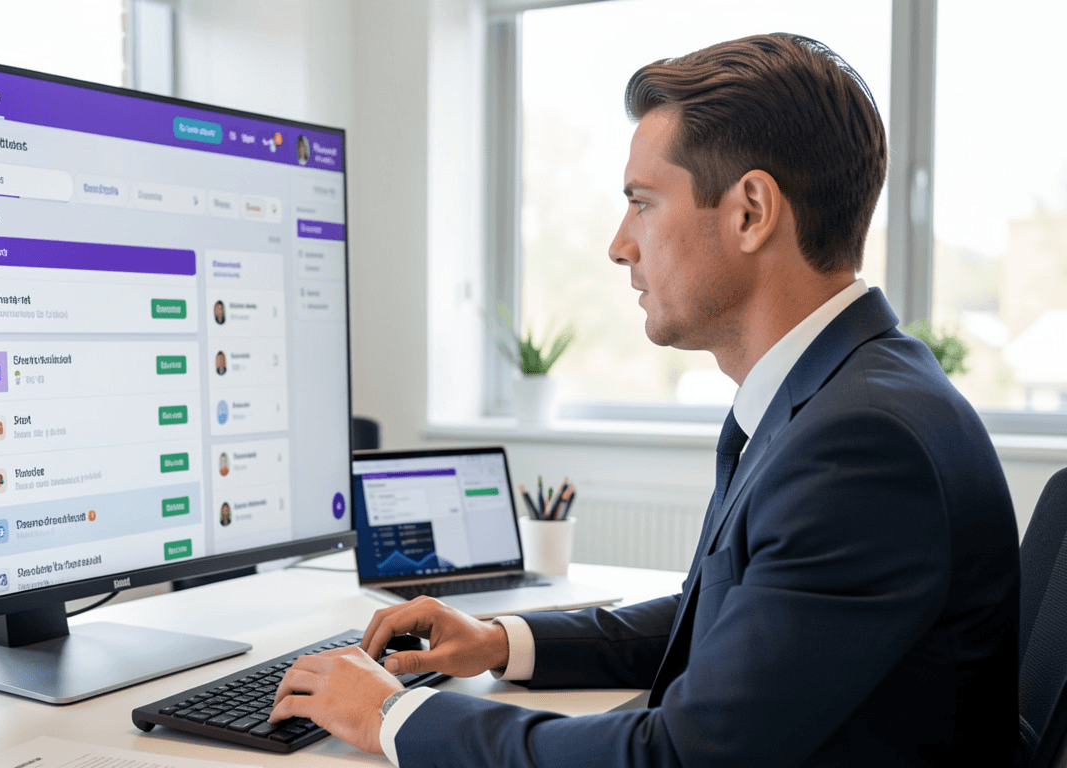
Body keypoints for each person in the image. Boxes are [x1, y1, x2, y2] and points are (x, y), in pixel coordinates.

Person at [269, 33, 1019, 766]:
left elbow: (683, 755)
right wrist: (502, 642)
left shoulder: (860, 444)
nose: (619, 244)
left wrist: (394, 717)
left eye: (642, 203)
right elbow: (722, 620)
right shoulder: (842, 392)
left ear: (751, 211)